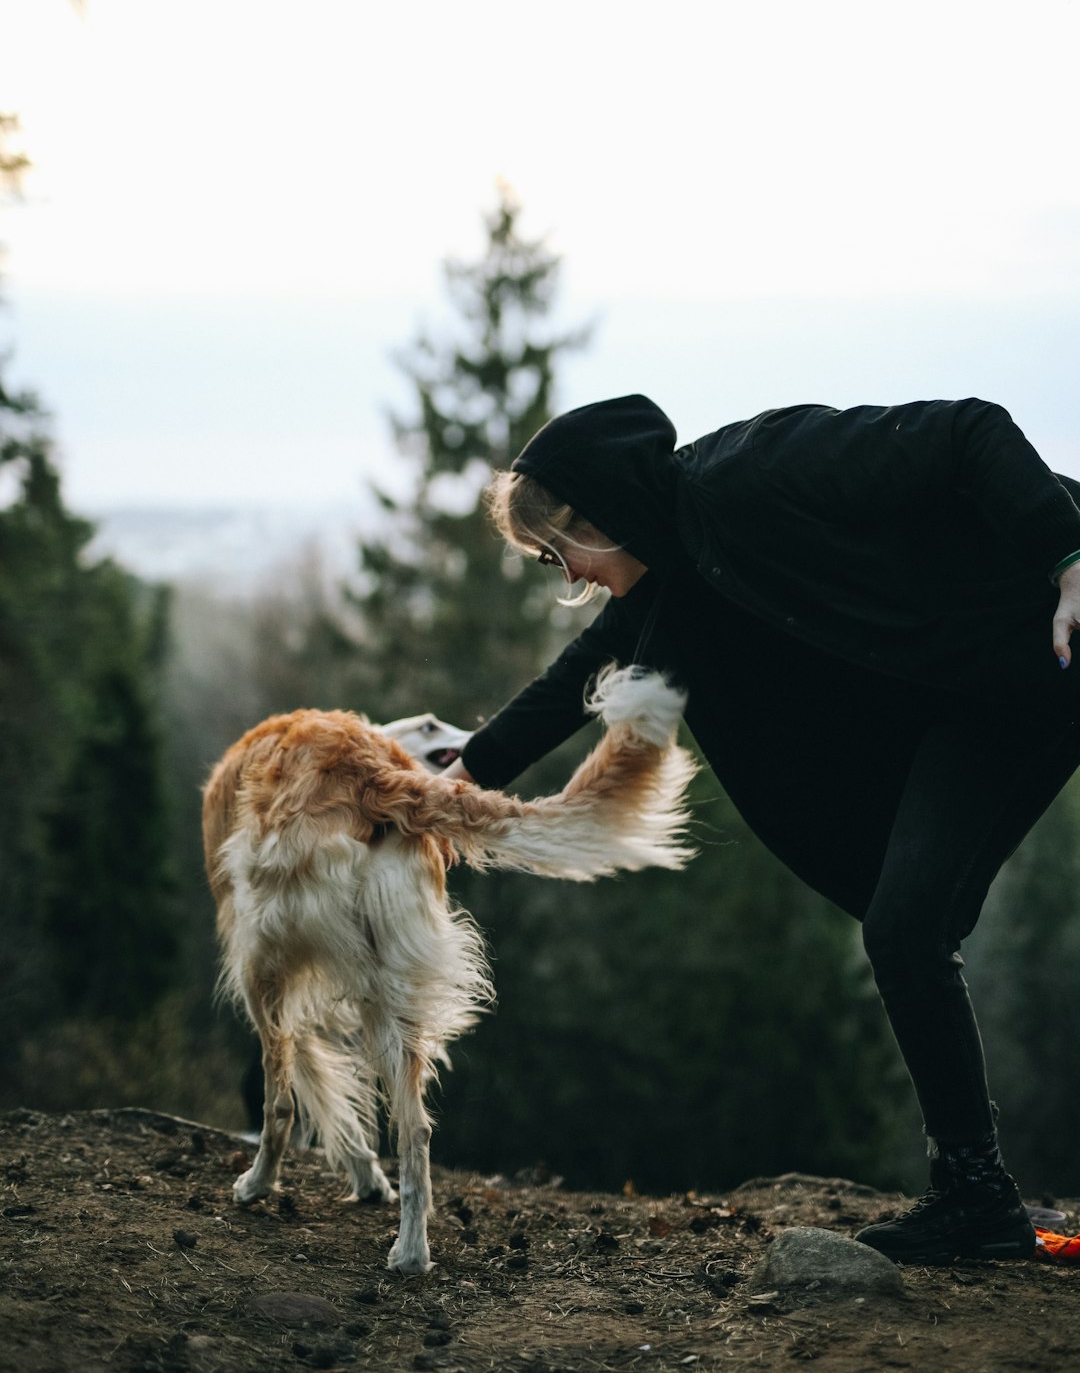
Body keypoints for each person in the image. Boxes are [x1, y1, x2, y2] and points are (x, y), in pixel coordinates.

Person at [440, 394, 1080, 1266]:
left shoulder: (755, 469)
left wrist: (1070, 555)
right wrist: (461, 783)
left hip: (1045, 628)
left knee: (908, 932)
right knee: (906, 931)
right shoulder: (673, 579)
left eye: (562, 552)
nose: (571, 578)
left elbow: (970, 430)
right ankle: (975, 1198)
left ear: (604, 511)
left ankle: (976, 1198)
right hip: (973, 701)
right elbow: (576, 676)